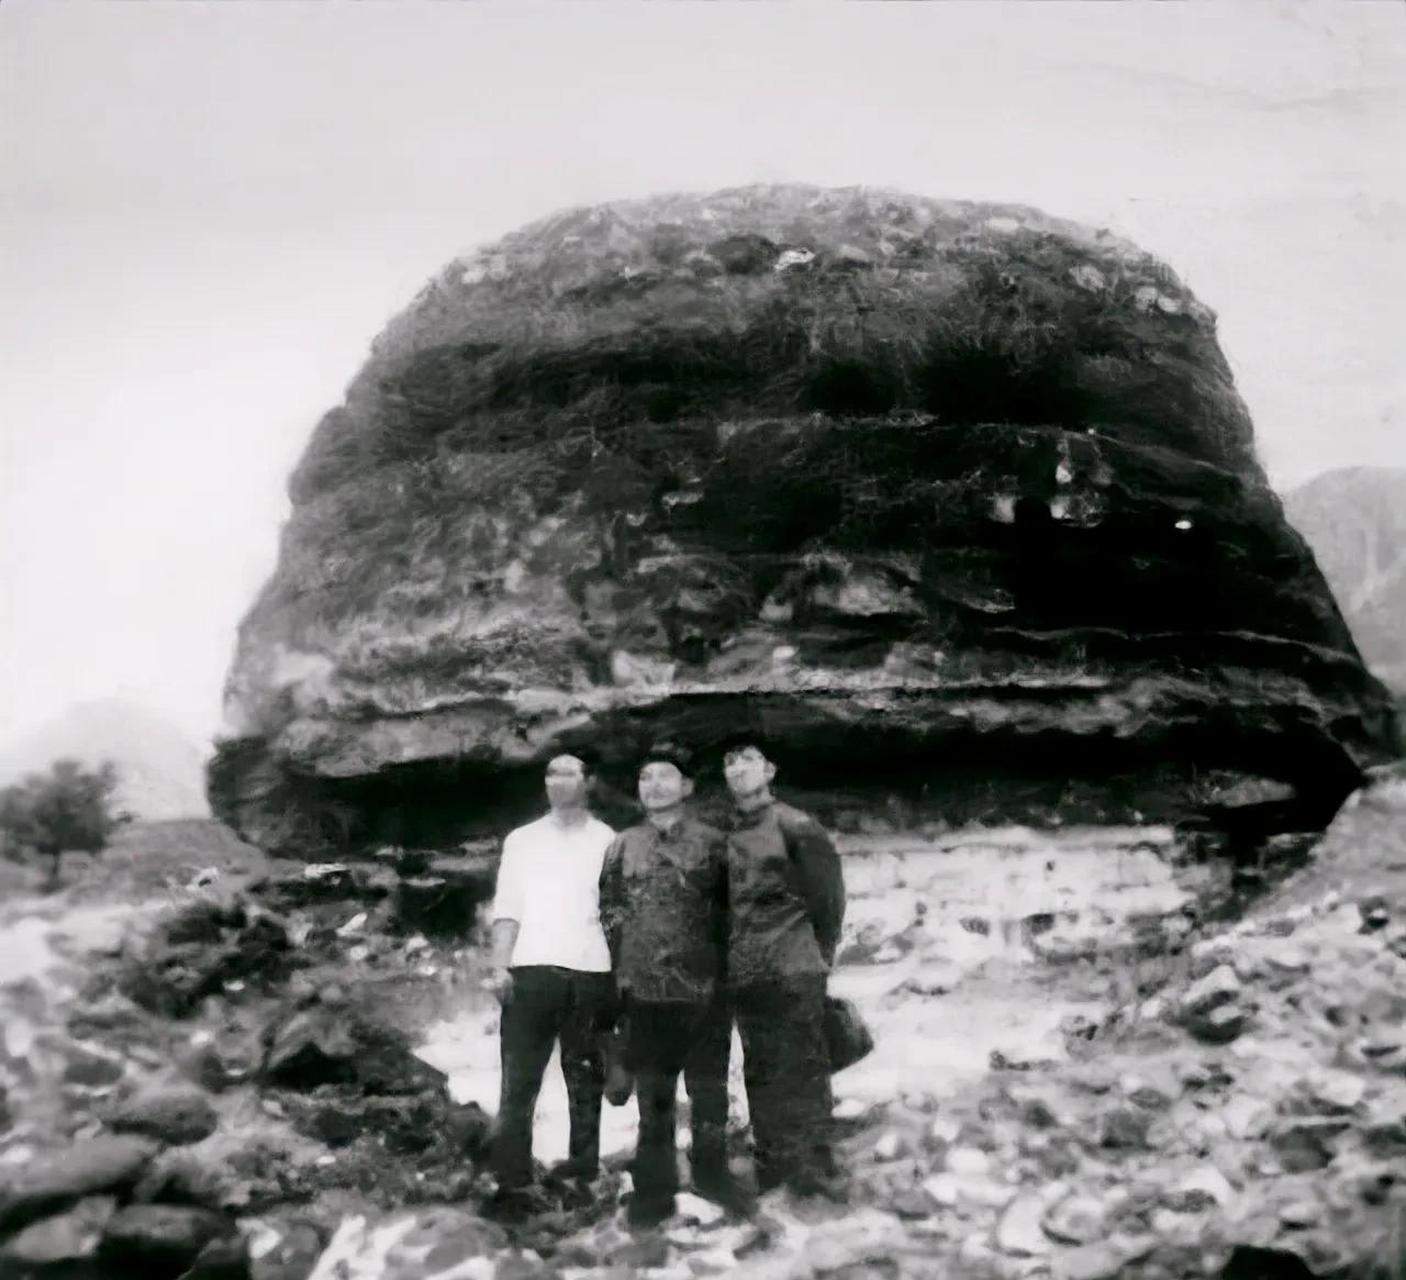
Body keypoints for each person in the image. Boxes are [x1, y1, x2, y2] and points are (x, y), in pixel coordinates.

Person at [598, 741, 734, 1227]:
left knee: (709, 1094)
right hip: (644, 992)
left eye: (665, 776)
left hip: (704, 988)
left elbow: (731, 914)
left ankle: (715, 1180)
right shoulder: (622, 846)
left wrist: (724, 977)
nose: (654, 786)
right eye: (645, 777)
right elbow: (609, 913)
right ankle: (654, 1194)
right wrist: (617, 981)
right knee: (653, 1099)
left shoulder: (715, 844)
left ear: (687, 786)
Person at [483, 754, 617, 1217]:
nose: (559, 781)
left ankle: (583, 1172)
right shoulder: (522, 840)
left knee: (585, 1082)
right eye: (552, 773)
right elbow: (507, 908)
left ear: (589, 781)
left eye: (570, 773)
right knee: (519, 1082)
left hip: (591, 970)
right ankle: (513, 1181)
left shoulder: (608, 840)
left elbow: (616, 913)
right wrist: (498, 967)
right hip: (531, 970)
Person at [721, 741, 846, 1200]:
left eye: (749, 760)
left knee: (804, 1065)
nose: (739, 769)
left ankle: (814, 1167)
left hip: (794, 964)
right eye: (730, 763)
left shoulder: (797, 826)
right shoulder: (726, 835)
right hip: (747, 970)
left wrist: (820, 955)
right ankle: (774, 1163)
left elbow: (828, 898)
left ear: (770, 770)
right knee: (761, 1066)